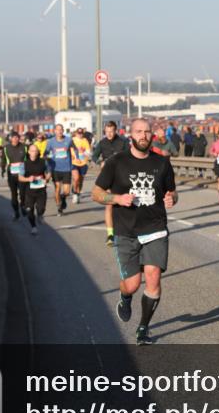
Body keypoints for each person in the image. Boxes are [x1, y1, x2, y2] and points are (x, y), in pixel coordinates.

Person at [92, 118, 178, 345]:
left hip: (155, 228)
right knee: (132, 284)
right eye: (139, 131)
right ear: (131, 135)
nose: (144, 135)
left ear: (152, 135)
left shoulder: (162, 163)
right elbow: (96, 193)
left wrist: (172, 198)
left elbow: (172, 192)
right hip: (126, 231)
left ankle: (143, 328)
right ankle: (125, 296)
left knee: (153, 277)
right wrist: (117, 198)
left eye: (147, 132)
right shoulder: (116, 162)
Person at [93, 121, 128, 247]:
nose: (109, 134)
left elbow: (130, 155)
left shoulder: (123, 142)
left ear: (115, 130)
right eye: (107, 132)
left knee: (126, 203)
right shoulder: (102, 143)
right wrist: (100, 162)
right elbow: (94, 156)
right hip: (107, 176)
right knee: (109, 205)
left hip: (122, 176)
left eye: (111, 131)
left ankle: (126, 230)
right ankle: (110, 235)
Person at [21, 143, 49, 235]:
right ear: (29, 152)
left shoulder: (43, 162)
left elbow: (49, 172)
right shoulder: (24, 164)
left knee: (41, 209)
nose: (34, 152)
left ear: (38, 152)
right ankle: (33, 227)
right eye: (32, 151)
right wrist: (28, 179)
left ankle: (40, 215)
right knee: (29, 210)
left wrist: (46, 179)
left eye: (35, 151)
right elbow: (20, 177)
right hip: (29, 191)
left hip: (41, 190)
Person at [46, 124, 74, 215]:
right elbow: (46, 152)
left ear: (63, 130)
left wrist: (76, 157)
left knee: (67, 191)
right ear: (55, 131)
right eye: (58, 130)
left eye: (61, 129)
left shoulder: (69, 140)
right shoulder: (51, 141)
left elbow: (74, 149)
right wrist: (46, 158)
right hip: (55, 168)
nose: (60, 131)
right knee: (57, 188)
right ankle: (59, 207)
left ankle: (63, 198)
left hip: (66, 168)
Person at [3, 132, 28, 220]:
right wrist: (2, 170)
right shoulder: (6, 148)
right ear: (11, 138)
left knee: (23, 193)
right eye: (13, 137)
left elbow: (29, 159)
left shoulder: (24, 147)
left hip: (22, 174)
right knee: (14, 194)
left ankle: (23, 206)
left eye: (17, 137)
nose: (15, 139)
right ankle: (16, 211)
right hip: (11, 174)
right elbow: (3, 160)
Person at [70, 127, 92, 204]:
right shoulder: (72, 140)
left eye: (81, 133)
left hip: (83, 163)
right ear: (76, 133)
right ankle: (75, 194)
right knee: (76, 179)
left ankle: (78, 192)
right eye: (78, 133)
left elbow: (89, 152)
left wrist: (84, 152)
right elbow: (67, 149)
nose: (80, 134)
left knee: (81, 180)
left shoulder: (85, 140)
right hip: (74, 162)